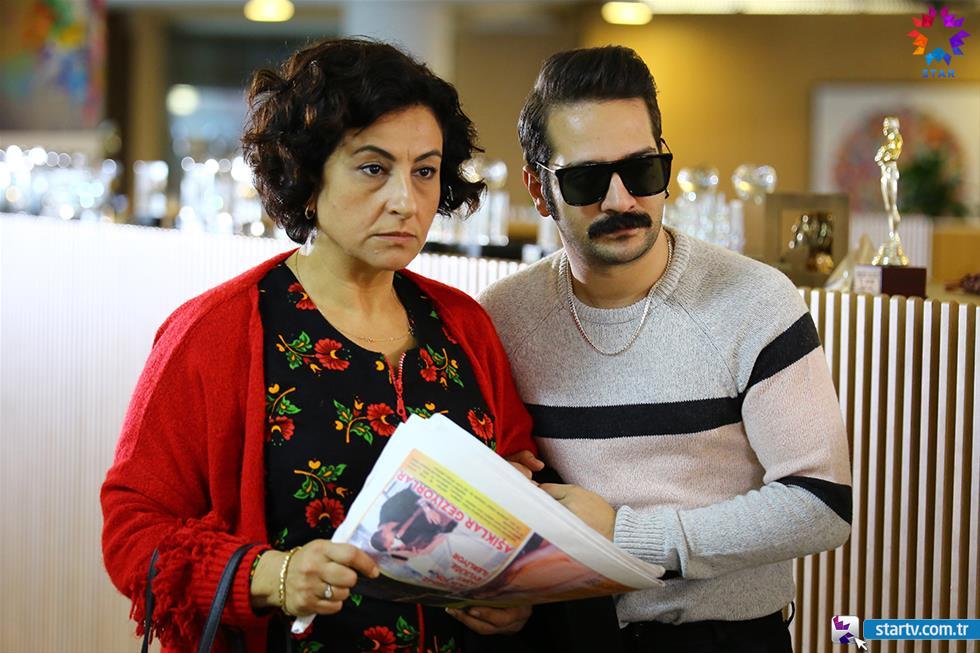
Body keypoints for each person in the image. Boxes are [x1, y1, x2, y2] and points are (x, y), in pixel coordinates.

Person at [101, 38, 538, 653]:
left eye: (425, 171)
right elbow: (132, 532)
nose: (405, 201)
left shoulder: (464, 323)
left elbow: (518, 482)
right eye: (373, 168)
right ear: (306, 177)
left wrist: (514, 594)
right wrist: (272, 575)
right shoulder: (217, 332)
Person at [478, 46, 852, 653]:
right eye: (586, 179)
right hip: (558, 635)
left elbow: (821, 505)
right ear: (538, 190)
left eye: (643, 169)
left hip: (721, 640)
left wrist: (626, 535)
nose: (621, 200)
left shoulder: (755, 301)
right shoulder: (503, 316)